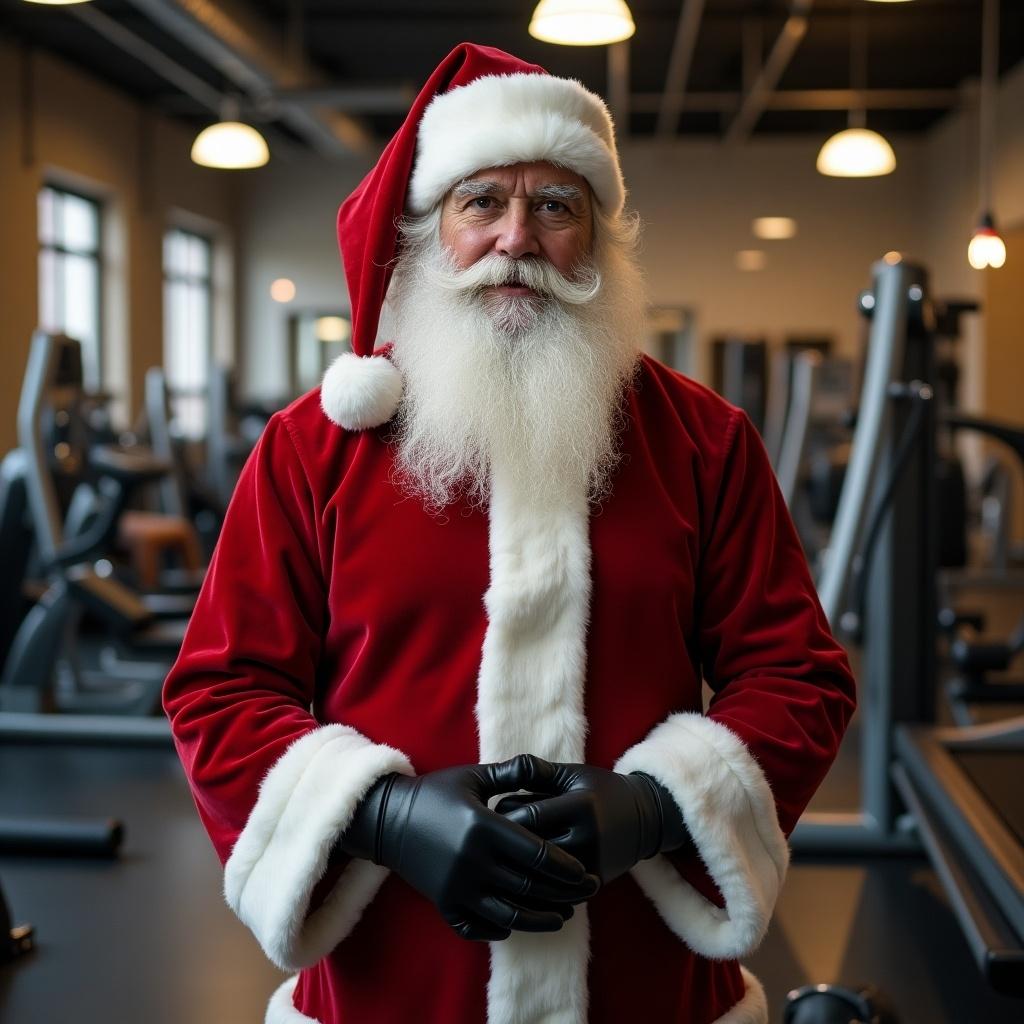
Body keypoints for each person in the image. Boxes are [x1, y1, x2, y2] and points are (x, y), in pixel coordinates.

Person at [163, 42, 856, 1024]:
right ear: (430, 229)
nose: (517, 237)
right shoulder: (311, 449)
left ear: (599, 237)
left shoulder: (704, 442)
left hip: (643, 976)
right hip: (393, 974)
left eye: (556, 205)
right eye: (481, 201)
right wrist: (382, 814)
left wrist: (658, 804)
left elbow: (799, 673)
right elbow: (221, 690)